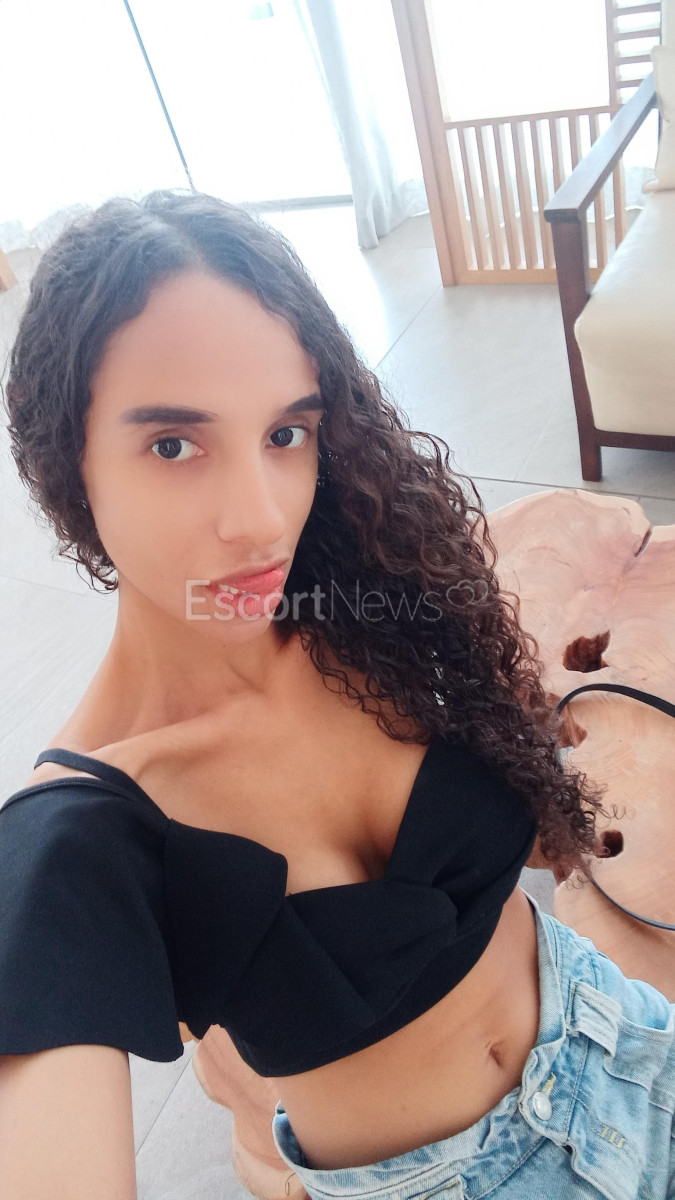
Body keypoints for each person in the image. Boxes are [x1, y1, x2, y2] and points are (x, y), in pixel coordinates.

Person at [0, 188, 673, 1200]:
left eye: (286, 433)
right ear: (67, 458)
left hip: (622, 1032)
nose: (259, 519)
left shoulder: (361, 604)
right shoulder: (83, 836)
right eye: (174, 444)